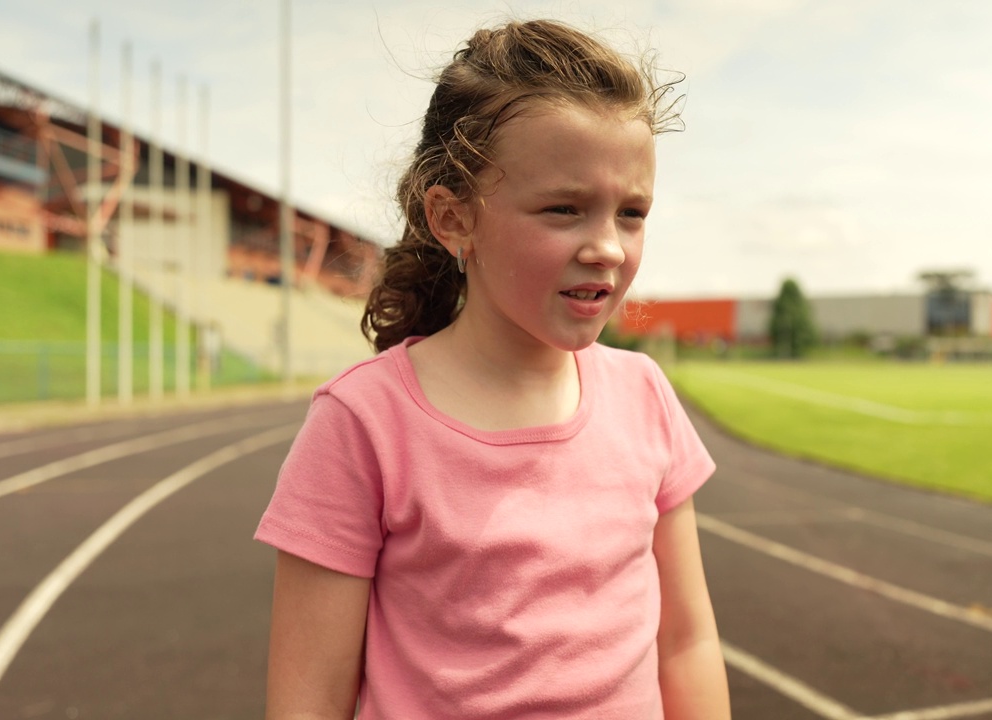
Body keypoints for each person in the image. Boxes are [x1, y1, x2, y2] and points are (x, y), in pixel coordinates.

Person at [255, 18, 730, 720]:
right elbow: (307, 701)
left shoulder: (645, 396)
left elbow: (685, 645)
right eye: (564, 209)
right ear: (453, 219)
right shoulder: (363, 423)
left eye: (631, 213)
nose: (606, 246)